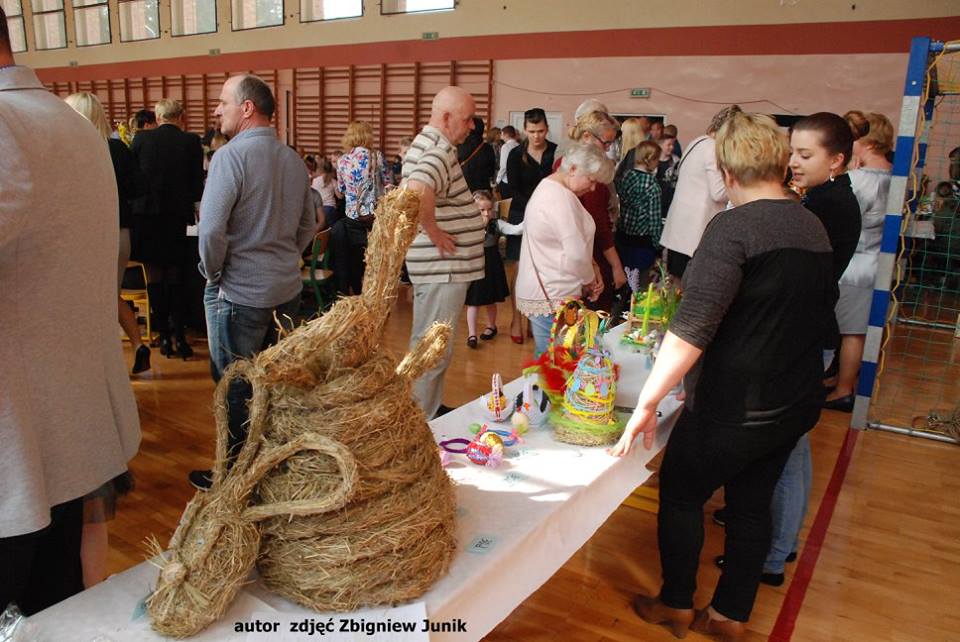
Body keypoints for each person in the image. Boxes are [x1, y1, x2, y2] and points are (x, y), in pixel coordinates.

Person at [611, 111, 834, 640]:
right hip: (791, 400)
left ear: (729, 175)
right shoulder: (811, 224)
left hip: (734, 404)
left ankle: (676, 604)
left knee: (682, 494)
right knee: (752, 505)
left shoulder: (733, 228)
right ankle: (730, 615)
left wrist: (648, 401)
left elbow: (691, 329)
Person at [0, 16, 141, 613]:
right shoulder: (73, 123)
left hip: (18, 447)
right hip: (67, 432)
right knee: (53, 607)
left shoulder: (7, 123)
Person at [191, 74, 317, 490]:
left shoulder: (229, 157)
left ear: (247, 108)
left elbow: (211, 230)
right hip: (286, 290)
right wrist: (284, 258)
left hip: (239, 292)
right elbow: (308, 225)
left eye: (222, 101)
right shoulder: (293, 159)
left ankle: (233, 478)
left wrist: (213, 272)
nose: (216, 110)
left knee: (235, 388)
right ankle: (269, 468)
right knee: (274, 385)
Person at [403, 86, 486, 419]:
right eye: (468, 120)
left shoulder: (428, 144)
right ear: (447, 117)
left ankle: (428, 407)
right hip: (443, 269)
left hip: (441, 269)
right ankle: (421, 419)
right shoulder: (438, 149)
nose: (471, 127)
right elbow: (418, 187)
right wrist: (434, 232)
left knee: (430, 345)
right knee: (432, 349)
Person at [66, 91, 151, 376]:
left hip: (87, 233)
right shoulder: (117, 148)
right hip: (120, 232)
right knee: (110, 293)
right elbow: (139, 188)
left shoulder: (72, 149)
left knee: (93, 298)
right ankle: (138, 344)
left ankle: (104, 361)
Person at [515, 143, 612, 356]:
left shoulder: (555, 190)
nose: (593, 188)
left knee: (554, 360)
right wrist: (589, 280)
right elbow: (575, 254)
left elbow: (568, 243)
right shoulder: (559, 197)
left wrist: (592, 266)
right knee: (556, 362)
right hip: (552, 293)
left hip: (552, 289)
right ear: (573, 169)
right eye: (591, 180)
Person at [827, 112, 893, 408]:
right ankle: (839, 379)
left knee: (851, 332)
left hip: (853, 264)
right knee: (852, 329)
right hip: (876, 262)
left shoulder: (857, 180)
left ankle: (843, 390)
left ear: (864, 141)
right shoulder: (894, 176)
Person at [131, 98, 205, 359]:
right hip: (175, 217)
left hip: (146, 216)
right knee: (175, 276)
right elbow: (196, 183)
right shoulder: (191, 141)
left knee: (154, 276)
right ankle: (180, 337)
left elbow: (134, 180)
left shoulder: (141, 139)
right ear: (181, 116)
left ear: (158, 116)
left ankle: (162, 335)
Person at [659, 105, 741, 279]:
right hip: (694, 231)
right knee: (688, 284)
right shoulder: (713, 148)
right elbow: (718, 193)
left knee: (676, 283)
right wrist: (740, 187)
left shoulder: (697, 142)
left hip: (680, 227)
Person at [563, 109, 628, 312]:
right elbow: (599, 225)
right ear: (586, 137)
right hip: (590, 255)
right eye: (605, 143)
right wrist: (616, 266)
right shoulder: (589, 174)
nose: (608, 149)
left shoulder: (566, 161)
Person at [502, 107, 558, 343]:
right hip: (521, 214)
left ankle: (536, 320)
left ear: (547, 129)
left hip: (550, 216)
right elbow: (512, 189)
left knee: (542, 270)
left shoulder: (554, 151)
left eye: (541, 131)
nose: (537, 136)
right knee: (518, 267)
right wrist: (535, 207)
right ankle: (516, 319)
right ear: (524, 130)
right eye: (532, 131)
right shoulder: (516, 154)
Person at [335, 120, 392, 295]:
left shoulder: (342, 161)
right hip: (375, 215)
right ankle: (376, 293)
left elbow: (341, 191)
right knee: (376, 257)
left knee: (355, 258)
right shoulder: (376, 157)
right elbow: (388, 183)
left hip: (353, 216)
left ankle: (358, 293)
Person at [464, 190, 523, 348]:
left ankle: (491, 326)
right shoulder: (468, 225)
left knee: (490, 299)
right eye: (482, 210)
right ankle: (471, 334)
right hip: (475, 265)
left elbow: (515, 229)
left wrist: (530, 220)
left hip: (492, 265)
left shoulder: (496, 224)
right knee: (473, 301)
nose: (486, 213)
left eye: (489, 209)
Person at [615, 140, 663, 292]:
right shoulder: (652, 186)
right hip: (643, 242)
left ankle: (621, 303)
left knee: (624, 279)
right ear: (651, 159)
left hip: (623, 237)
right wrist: (657, 245)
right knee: (639, 285)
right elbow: (654, 220)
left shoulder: (626, 177)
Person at [458, 116, 497, 192]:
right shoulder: (488, 148)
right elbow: (491, 171)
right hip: (483, 188)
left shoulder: (459, 145)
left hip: (463, 187)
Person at [656, 134, 681, 219]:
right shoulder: (654, 160)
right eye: (668, 145)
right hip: (658, 199)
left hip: (670, 199)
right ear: (660, 145)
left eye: (673, 145)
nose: (672, 147)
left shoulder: (676, 161)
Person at [311, 157, 341, 228]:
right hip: (331, 208)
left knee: (321, 231)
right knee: (332, 230)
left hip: (319, 210)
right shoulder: (333, 181)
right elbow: (340, 196)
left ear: (319, 169)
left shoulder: (315, 181)